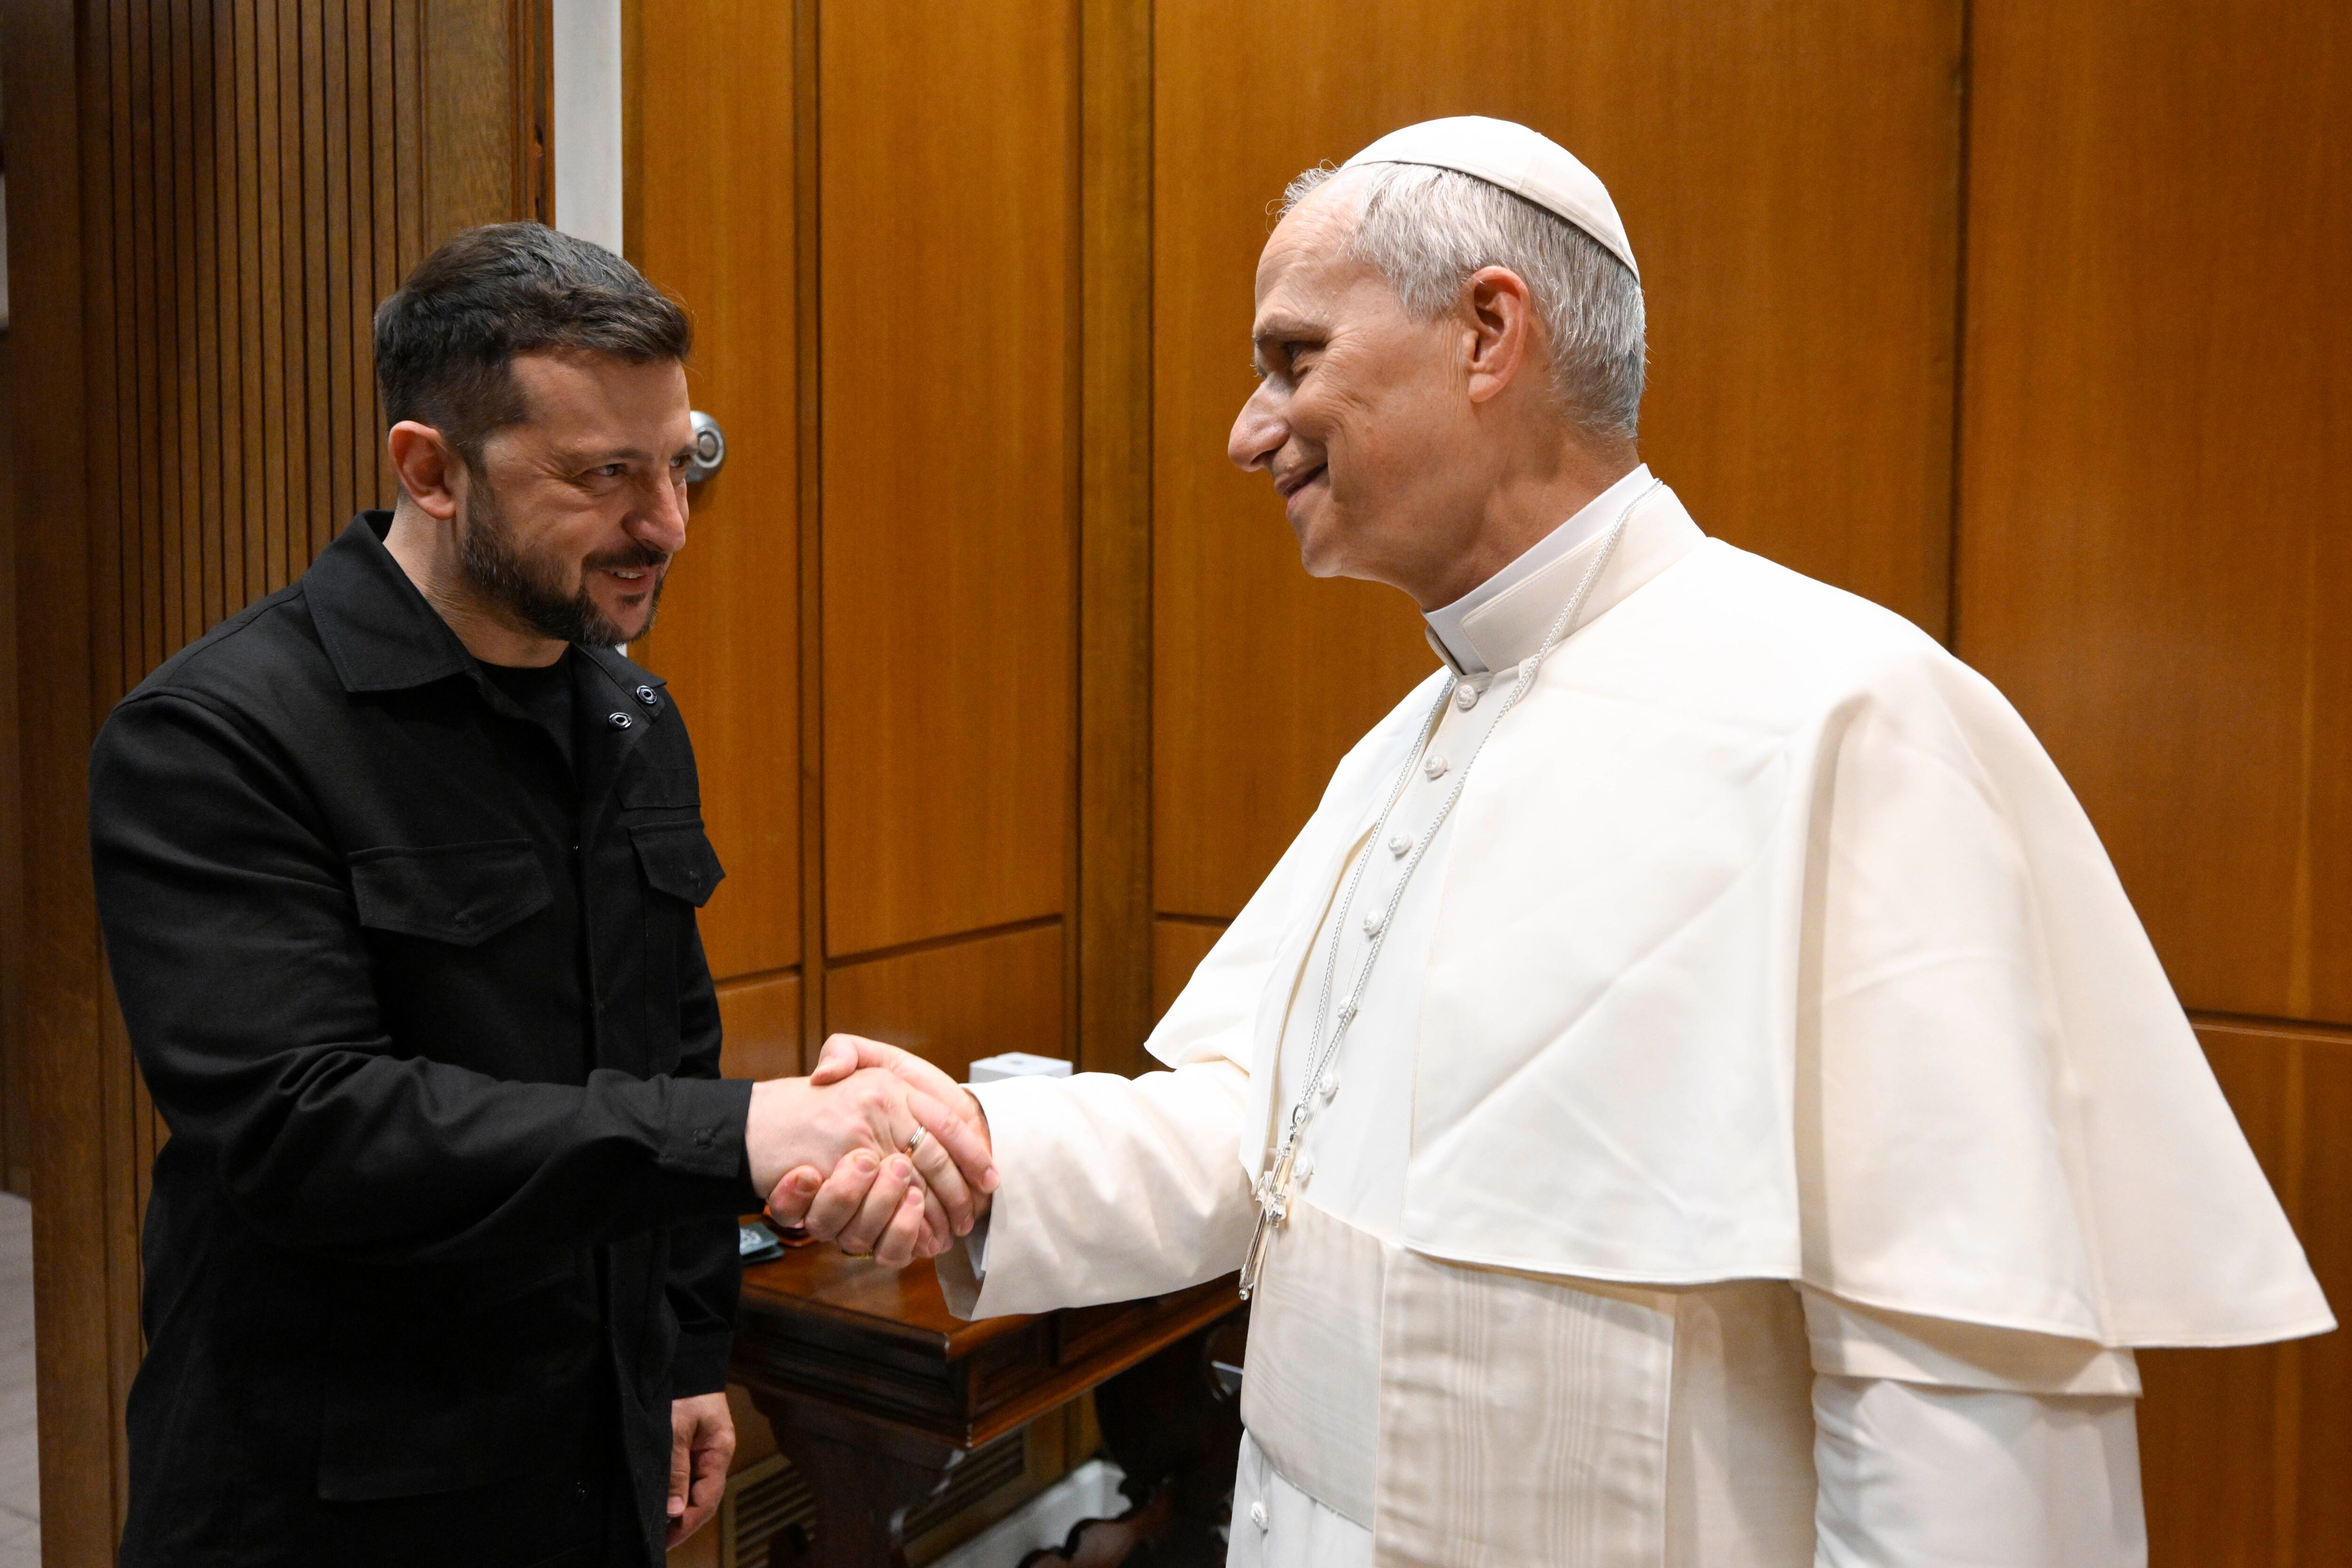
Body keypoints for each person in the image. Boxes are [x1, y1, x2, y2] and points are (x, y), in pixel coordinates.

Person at [775, 119, 2334, 1566]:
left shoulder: (1844, 717)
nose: (1251, 433)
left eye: (1295, 358)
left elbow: (1965, 1398)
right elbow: (1270, 1134)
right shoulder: (1410, 740)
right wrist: (987, 1154)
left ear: (1488, 332)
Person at [89, 223, 993, 1568]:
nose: (665, 524)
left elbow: (669, 1040)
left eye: (679, 463)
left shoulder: (628, 712)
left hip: (592, 1451)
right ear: (431, 470)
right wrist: (745, 1132)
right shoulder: (216, 736)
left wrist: (685, 1348)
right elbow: (307, 1131)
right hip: (332, 1491)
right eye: (603, 475)